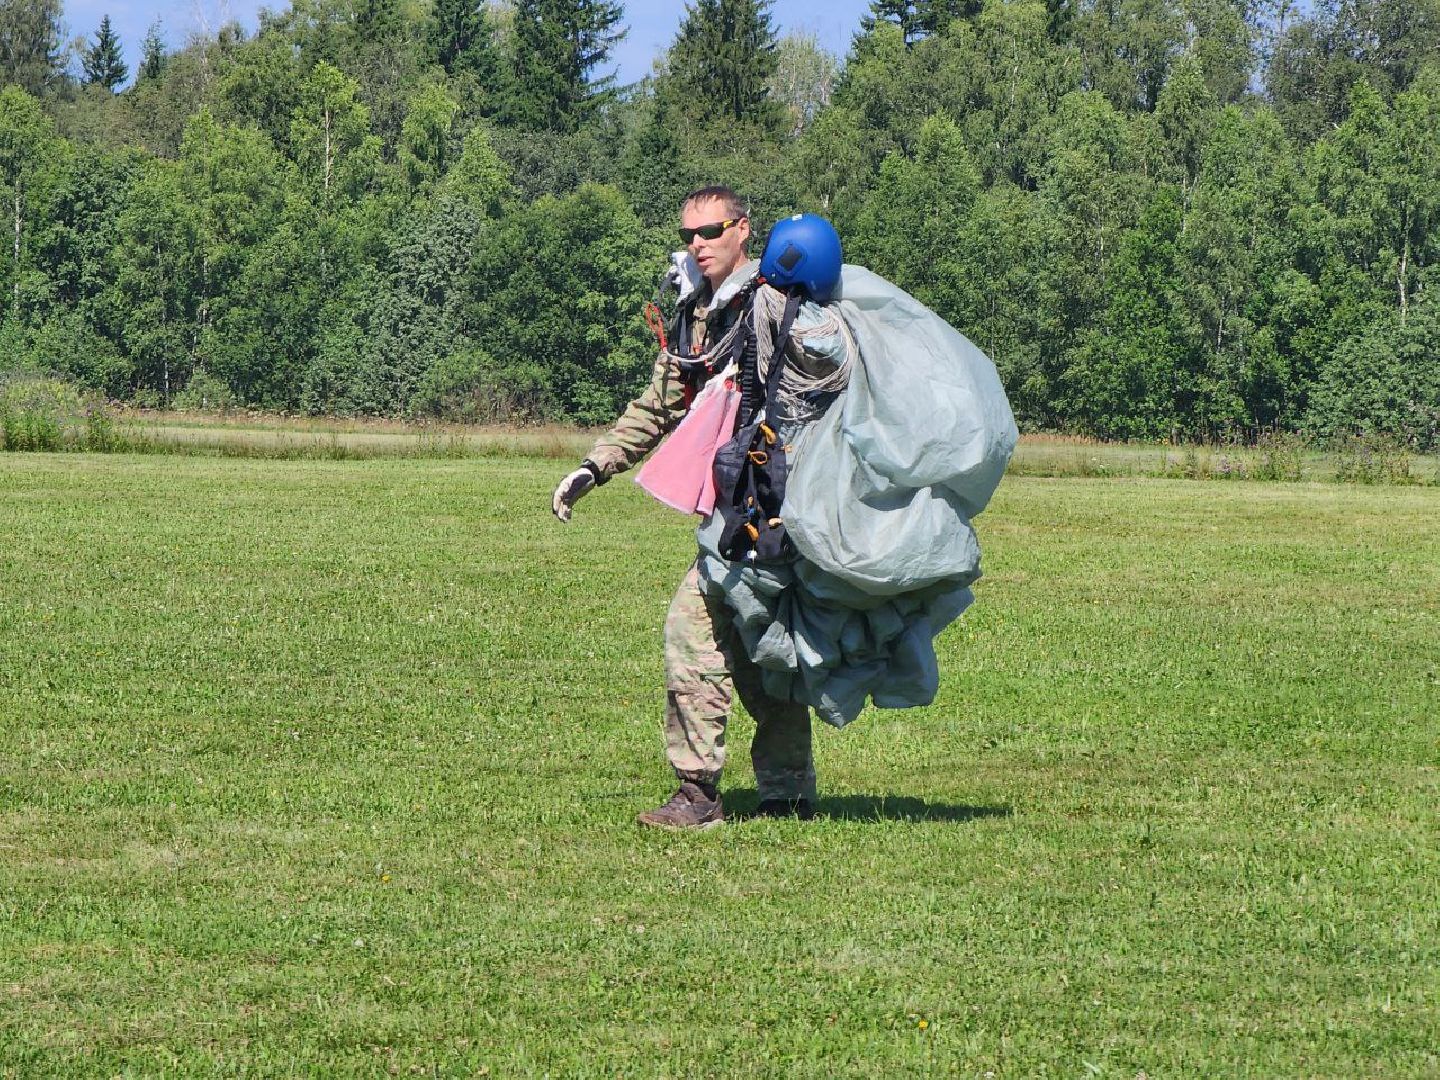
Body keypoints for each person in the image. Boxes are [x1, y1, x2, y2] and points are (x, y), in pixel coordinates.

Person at [550, 185, 817, 829]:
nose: (696, 244)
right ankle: (783, 793)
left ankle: (707, 795)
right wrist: (597, 465)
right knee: (755, 645)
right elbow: (660, 402)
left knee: (714, 635)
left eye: (710, 230)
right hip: (733, 509)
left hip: (783, 505)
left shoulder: (780, 306)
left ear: (743, 230)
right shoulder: (698, 317)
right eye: (690, 233)